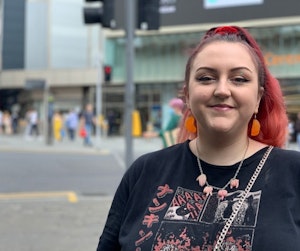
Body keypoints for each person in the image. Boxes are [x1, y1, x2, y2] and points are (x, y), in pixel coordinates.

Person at [96, 26, 300, 250]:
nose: (222, 90)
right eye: (206, 78)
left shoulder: (293, 171)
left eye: (239, 79)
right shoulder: (145, 171)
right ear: (187, 95)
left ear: (258, 97)